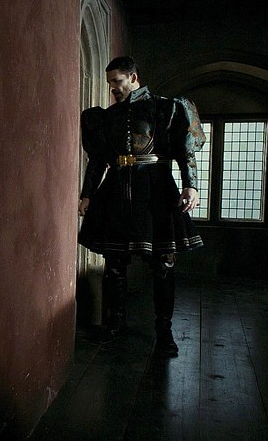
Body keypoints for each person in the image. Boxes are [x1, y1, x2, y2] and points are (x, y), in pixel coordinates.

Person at [77, 56, 206, 357]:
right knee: (114, 263)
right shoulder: (106, 117)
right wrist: (87, 194)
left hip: (155, 190)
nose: (113, 88)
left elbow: (185, 152)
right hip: (116, 189)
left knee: (163, 264)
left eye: (117, 82)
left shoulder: (166, 108)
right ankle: (115, 324)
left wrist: (191, 185)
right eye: (110, 83)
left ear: (133, 78)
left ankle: (164, 332)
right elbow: (98, 160)